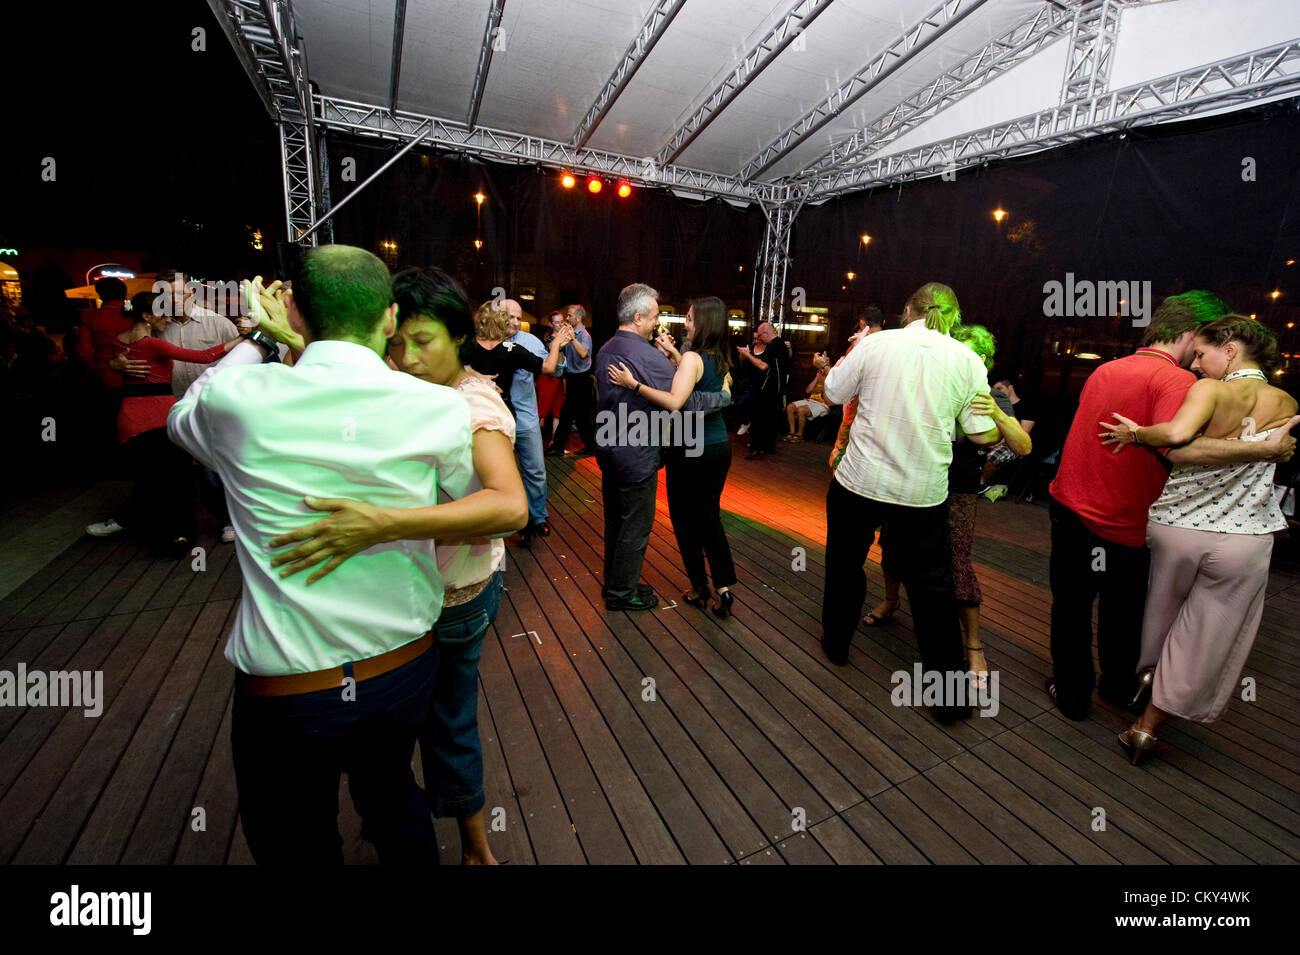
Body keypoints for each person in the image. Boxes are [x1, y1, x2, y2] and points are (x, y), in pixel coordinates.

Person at [166, 245, 485, 866]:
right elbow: (470, 504)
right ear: (390, 319)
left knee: (296, 843)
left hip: (289, 688)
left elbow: (183, 416)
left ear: (294, 310)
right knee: (394, 800)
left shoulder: (240, 401)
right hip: (403, 668)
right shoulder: (439, 407)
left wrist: (257, 338)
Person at [263, 266, 528, 862]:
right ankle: (401, 823)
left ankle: (475, 848)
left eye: (424, 342)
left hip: (454, 596)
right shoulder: (413, 387)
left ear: (460, 336)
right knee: (394, 730)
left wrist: (383, 524)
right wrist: (303, 346)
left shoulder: (471, 403)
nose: (405, 358)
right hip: (409, 598)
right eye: (395, 342)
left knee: (444, 726)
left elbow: (511, 506)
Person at [1046, 291, 1297, 722]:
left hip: (1069, 506)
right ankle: (1118, 686)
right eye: (1202, 344)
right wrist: (1264, 449)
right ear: (1190, 334)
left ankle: (1072, 695)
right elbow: (1181, 449)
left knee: (1070, 604)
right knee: (1123, 613)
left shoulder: (1106, 369)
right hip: (1126, 522)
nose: (1200, 360)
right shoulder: (1182, 383)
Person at [1097, 316, 1299, 763]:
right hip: (1246, 539)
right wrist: (1263, 448)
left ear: (1229, 350)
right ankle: (1148, 727)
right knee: (1204, 636)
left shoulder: (1211, 390)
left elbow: (1175, 438)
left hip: (1180, 527)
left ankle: (1148, 676)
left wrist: (1135, 434)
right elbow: (1273, 455)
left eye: (1204, 354)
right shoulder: (1285, 400)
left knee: (1162, 616)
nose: (1197, 365)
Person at [820, 283, 1001, 722]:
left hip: (860, 481)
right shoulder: (967, 361)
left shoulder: (877, 344)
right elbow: (981, 435)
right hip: (921, 492)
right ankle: (952, 699)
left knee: (846, 563)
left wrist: (855, 351)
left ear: (907, 310)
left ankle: (838, 643)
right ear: (953, 318)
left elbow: (832, 393)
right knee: (933, 589)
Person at [868, 324, 1031, 690]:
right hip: (913, 480)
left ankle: (973, 645)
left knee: (956, 560)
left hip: (958, 490)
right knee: (891, 545)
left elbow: (1022, 447)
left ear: (984, 360)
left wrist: (999, 415)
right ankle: (891, 600)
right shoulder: (935, 385)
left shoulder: (992, 395)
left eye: (971, 353)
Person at [593, 283, 731, 611]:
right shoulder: (646, 356)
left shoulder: (606, 349)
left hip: (609, 446)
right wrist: (724, 397)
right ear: (638, 317)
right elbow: (685, 400)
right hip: (637, 452)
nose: (658, 322)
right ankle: (622, 594)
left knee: (615, 520)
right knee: (636, 526)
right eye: (654, 316)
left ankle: (614, 582)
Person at [85, 291, 242, 552]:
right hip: (160, 415)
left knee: (153, 474)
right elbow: (205, 356)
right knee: (175, 476)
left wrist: (114, 364)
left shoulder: (119, 343)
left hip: (130, 417)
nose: (167, 319)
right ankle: (177, 534)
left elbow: (102, 364)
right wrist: (245, 339)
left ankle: (139, 523)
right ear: (146, 316)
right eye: (162, 314)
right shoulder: (152, 344)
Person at [501, 298, 564, 541]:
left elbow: (556, 369)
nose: (516, 322)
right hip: (496, 419)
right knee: (500, 472)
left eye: (519, 318)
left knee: (535, 470)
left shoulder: (529, 342)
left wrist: (558, 349)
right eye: (511, 317)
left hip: (525, 418)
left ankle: (538, 517)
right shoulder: (488, 342)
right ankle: (509, 518)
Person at [547, 303, 596, 456]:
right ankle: (589, 446)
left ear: (579, 317)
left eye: (569, 316)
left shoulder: (584, 335)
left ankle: (558, 447)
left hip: (582, 379)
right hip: (572, 378)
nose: (566, 318)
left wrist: (573, 339)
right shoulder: (571, 332)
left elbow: (583, 354)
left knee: (570, 414)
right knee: (577, 416)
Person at [735, 321, 789, 459]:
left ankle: (756, 449)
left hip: (768, 389)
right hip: (775, 389)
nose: (758, 338)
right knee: (769, 420)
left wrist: (747, 355)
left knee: (758, 419)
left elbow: (763, 366)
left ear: (766, 333)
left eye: (759, 335)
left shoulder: (774, 346)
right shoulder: (780, 345)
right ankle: (767, 448)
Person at [981, 374, 1039, 499]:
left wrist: (997, 443)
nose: (996, 392)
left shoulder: (1026, 406)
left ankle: (980, 484)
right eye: (994, 390)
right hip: (994, 439)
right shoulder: (997, 405)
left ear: (1010, 388)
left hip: (1013, 445)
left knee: (993, 456)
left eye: (1000, 388)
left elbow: (1022, 434)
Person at [536, 311, 567, 448]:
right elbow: (555, 346)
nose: (560, 324)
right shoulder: (550, 339)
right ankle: (533, 443)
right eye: (557, 322)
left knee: (558, 412)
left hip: (559, 379)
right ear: (551, 324)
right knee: (542, 413)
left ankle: (555, 442)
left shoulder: (565, 337)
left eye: (562, 321)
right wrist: (566, 337)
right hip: (547, 379)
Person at [785, 351, 832, 442]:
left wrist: (819, 388)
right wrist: (817, 378)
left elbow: (825, 391)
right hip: (810, 400)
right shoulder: (818, 375)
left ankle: (799, 435)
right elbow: (808, 390)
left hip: (823, 404)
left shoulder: (831, 375)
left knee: (801, 410)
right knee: (790, 407)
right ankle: (792, 432)